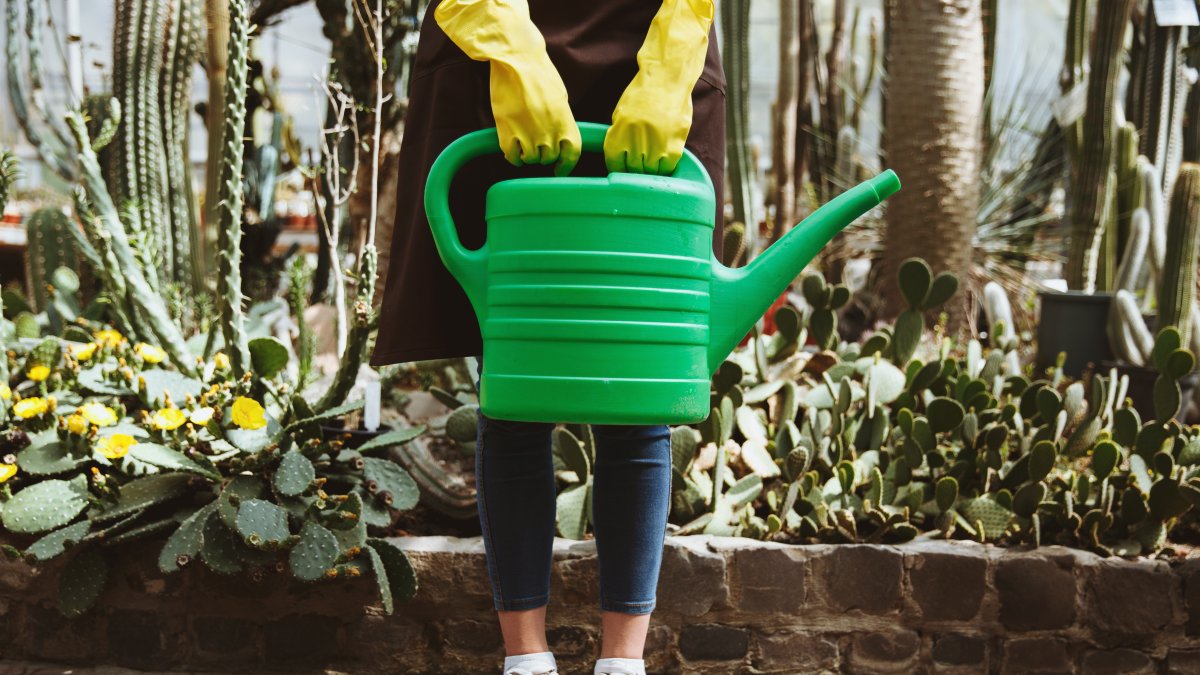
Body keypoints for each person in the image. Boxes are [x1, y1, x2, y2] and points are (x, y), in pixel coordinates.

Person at [369, 1, 726, 673]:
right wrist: (511, 52)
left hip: (657, 39)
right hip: (497, 38)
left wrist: (672, 59)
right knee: (517, 382)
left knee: (640, 380)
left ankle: (623, 665)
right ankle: (526, 662)